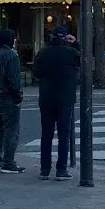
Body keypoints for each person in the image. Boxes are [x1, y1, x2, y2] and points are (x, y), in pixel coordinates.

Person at [33, 25, 80, 180]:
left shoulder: (43, 53)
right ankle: (61, 170)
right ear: (65, 38)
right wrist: (75, 43)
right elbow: (85, 60)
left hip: (46, 97)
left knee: (46, 135)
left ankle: (44, 169)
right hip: (65, 98)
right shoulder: (71, 53)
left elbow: (37, 74)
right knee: (64, 134)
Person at [0, 29, 25, 173]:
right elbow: (14, 80)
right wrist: (18, 96)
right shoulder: (11, 56)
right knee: (11, 130)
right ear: (11, 40)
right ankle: (8, 162)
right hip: (8, 96)